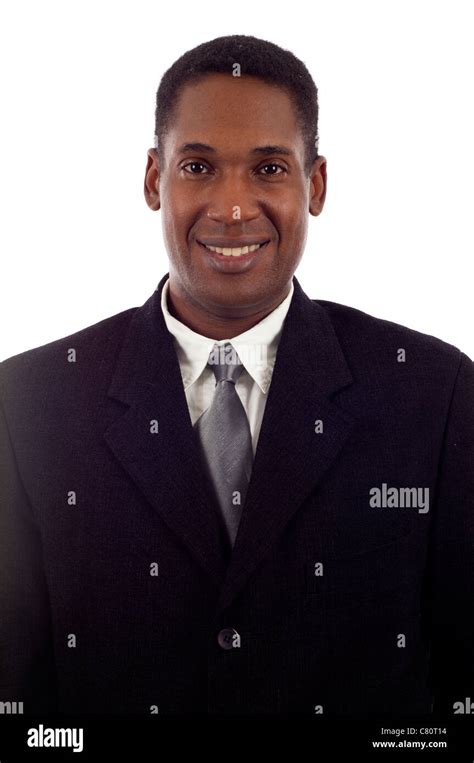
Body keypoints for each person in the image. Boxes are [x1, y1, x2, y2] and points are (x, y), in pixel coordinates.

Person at [0, 34, 472, 716]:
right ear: (153, 179)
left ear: (316, 185)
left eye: (269, 169)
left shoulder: (437, 395)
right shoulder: (28, 406)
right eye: (198, 166)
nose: (231, 207)